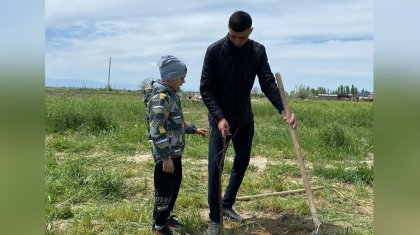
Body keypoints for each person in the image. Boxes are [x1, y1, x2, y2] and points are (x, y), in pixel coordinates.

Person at [199, 11, 297, 234]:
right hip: (219, 120)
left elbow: (268, 83)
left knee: (242, 161)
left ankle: (227, 204)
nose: (237, 41)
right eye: (233, 36)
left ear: (250, 31)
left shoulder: (257, 51)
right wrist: (219, 117)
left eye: (242, 37)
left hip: (244, 118)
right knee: (216, 168)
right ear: (228, 29)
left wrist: (283, 108)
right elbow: (205, 88)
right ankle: (215, 219)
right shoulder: (214, 51)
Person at [144, 55, 209, 235]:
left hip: (174, 154)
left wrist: (194, 130)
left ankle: (166, 216)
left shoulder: (172, 96)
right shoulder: (161, 98)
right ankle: (159, 226)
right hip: (166, 156)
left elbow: (177, 122)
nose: (184, 81)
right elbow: (156, 129)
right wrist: (165, 157)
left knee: (174, 186)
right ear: (171, 77)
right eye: (181, 77)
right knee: (164, 190)